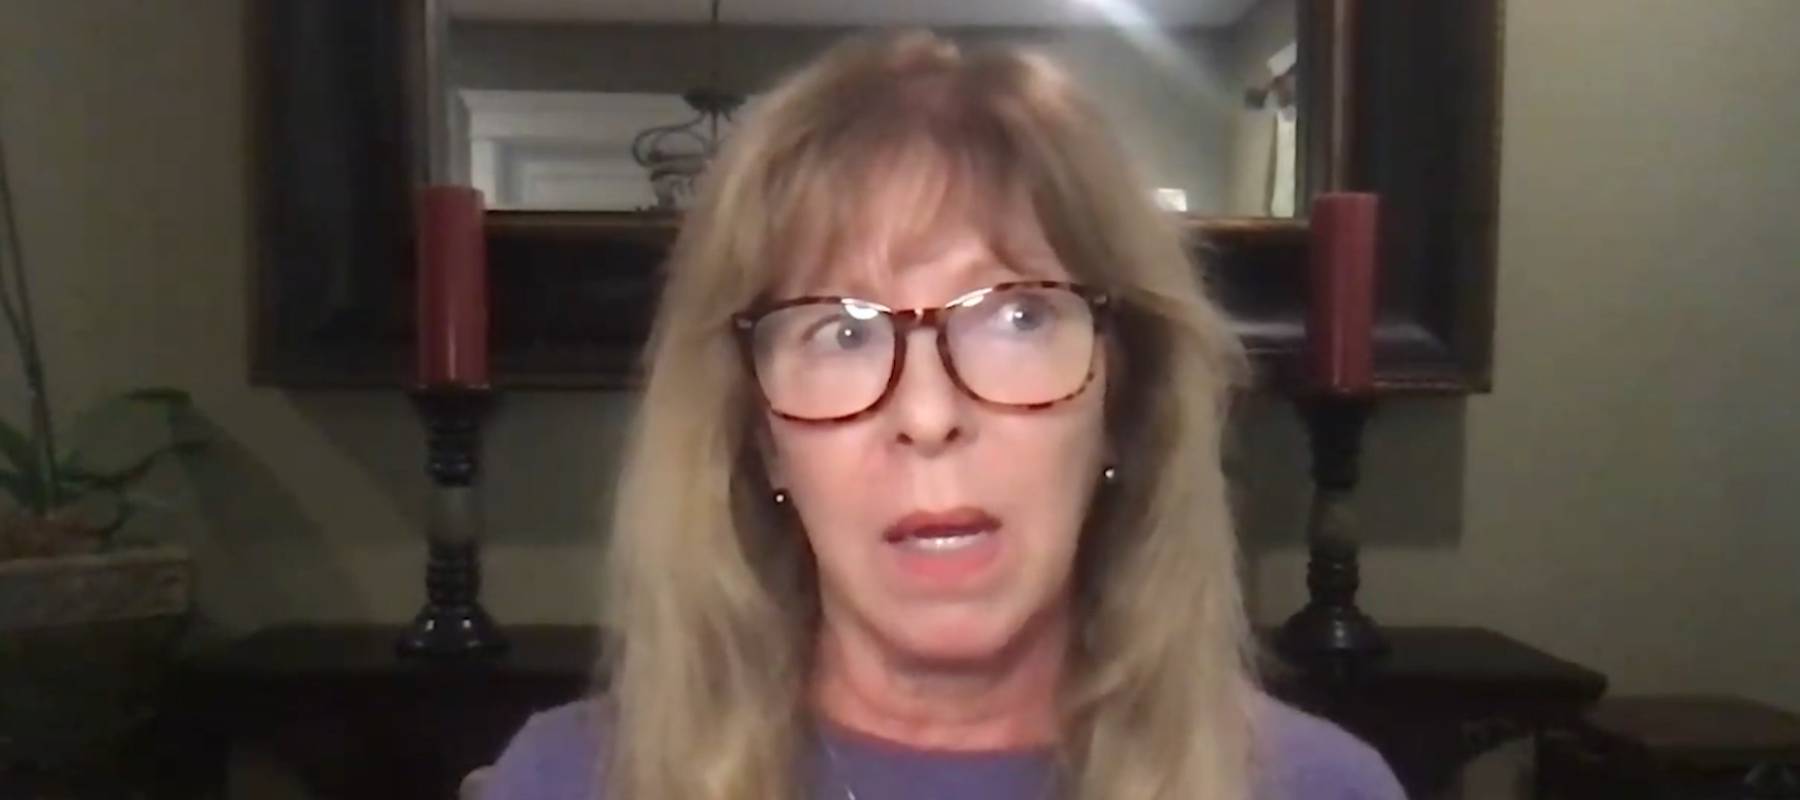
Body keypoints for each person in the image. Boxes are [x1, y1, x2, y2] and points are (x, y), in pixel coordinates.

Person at [485, 30, 1405, 800]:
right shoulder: (569, 780)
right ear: (761, 436)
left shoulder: (1317, 787)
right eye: (839, 333)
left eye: (1016, 317)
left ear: (1121, 402)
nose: (927, 415)